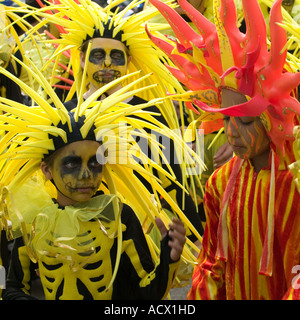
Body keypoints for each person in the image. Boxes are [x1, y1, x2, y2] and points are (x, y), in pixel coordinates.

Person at [0, 60, 194, 299]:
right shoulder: (34, 221)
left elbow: (147, 292)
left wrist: (169, 258)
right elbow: (14, 288)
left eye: (95, 163)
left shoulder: (118, 216)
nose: (85, 175)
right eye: (71, 164)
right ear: (46, 170)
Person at [148, 0, 300, 299]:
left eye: (244, 120)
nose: (231, 132)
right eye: (225, 118)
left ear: (274, 118)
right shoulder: (220, 182)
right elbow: (212, 263)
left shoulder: (294, 183)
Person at [28, 0, 205, 245]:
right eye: (98, 56)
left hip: (141, 234)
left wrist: (195, 235)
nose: (108, 64)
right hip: (80, 236)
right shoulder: (67, 115)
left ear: (128, 60)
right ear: (81, 59)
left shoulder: (149, 113)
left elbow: (173, 176)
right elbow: (48, 180)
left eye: (116, 56)